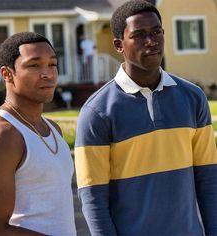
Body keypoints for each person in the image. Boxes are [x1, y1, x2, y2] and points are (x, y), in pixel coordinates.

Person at [74, 0, 217, 235]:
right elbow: (93, 198)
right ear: (119, 45)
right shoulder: (97, 112)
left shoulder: (193, 98)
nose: (151, 41)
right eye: (139, 35)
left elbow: (208, 179)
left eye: (156, 32)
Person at [0, 32, 76, 235]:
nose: (48, 73)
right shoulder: (1, 134)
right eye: (34, 65)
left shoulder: (53, 128)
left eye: (52, 64)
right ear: (7, 74)